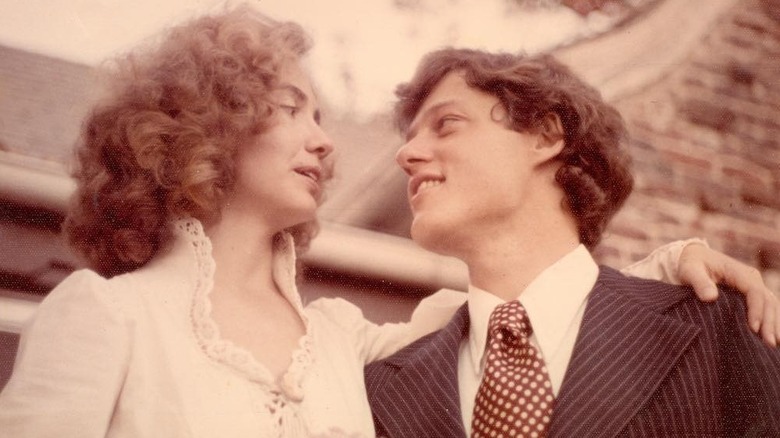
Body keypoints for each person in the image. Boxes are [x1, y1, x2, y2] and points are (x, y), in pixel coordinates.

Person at [0, 6, 775, 438]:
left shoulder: (347, 345)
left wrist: (670, 265)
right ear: (205, 126)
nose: (329, 141)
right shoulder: (106, 317)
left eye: (444, 126)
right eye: (290, 108)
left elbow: (542, 307)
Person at [364, 49, 780, 437]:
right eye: (410, 136)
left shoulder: (719, 330)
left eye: (446, 124)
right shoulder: (379, 387)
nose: (406, 154)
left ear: (545, 136)